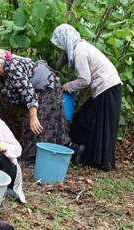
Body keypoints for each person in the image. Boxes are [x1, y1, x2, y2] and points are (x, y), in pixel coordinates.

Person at [0, 47, 71, 162]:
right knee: (36, 125)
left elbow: (30, 94)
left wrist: (33, 117)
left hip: (47, 88)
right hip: (36, 91)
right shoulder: (0, 73)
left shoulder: (13, 69)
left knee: (35, 124)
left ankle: (32, 156)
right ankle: (41, 154)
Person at [50, 23, 123, 171]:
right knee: (85, 119)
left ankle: (99, 161)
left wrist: (68, 86)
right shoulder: (78, 47)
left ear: (65, 40)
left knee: (97, 123)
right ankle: (86, 154)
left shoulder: (80, 52)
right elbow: (63, 60)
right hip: (106, 88)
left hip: (107, 87)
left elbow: (84, 79)